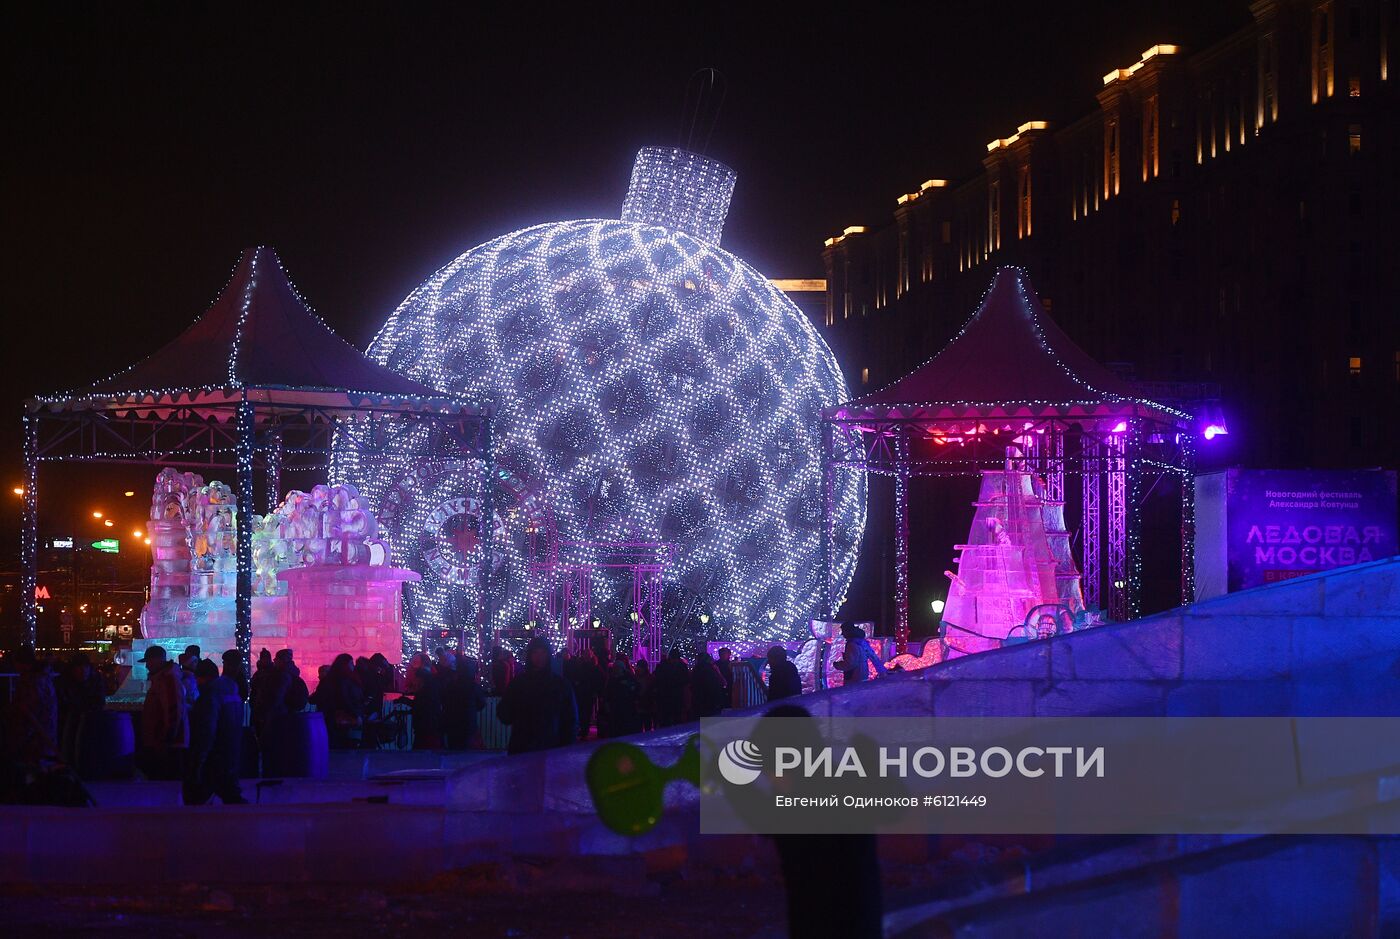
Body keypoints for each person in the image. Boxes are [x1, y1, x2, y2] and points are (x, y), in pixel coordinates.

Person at [497, 637, 577, 755]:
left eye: (542, 653)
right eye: (535, 652)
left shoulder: (519, 683)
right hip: (540, 748)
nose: (539, 657)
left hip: (533, 748)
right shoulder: (560, 684)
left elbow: (570, 721)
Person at [185, 659, 247, 805]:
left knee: (196, 801)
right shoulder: (233, 694)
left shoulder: (210, 695)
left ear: (201, 677)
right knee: (231, 797)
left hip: (214, 755)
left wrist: (199, 758)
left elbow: (207, 729)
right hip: (230, 754)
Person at [138, 645, 188, 780]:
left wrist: (167, 739)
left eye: (148, 662)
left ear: (157, 660)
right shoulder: (163, 679)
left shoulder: (167, 680)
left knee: (165, 784)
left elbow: (173, 710)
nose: (147, 666)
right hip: (164, 742)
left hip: (167, 744)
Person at [3, 647, 58, 765]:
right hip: (43, 730)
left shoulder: (33, 680)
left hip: (36, 733)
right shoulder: (40, 677)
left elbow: (29, 708)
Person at [55, 652, 106, 761]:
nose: (83, 671)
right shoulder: (65, 682)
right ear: (73, 670)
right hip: (71, 721)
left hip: (89, 722)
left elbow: (99, 701)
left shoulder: (95, 681)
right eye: (79, 668)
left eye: (85, 668)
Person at [250, 649, 309, 739]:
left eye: (276, 659)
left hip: (279, 714)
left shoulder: (282, 675)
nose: (275, 661)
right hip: (287, 712)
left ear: (282, 660)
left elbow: (276, 696)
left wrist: (265, 712)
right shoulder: (290, 673)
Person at [311, 653, 366, 750]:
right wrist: (355, 714)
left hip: (332, 718)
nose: (353, 666)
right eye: (351, 663)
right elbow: (345, 699)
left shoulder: (330, 680)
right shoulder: (347, 680)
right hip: (344, 718)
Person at [442, 657, 485, 750]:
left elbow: (444, 702)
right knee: (468, 755)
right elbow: (481, 704)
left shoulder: (451, 686)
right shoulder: (474, 687)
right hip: (469, 725)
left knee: (453, 752)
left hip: (452, 725)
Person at [566, 647, 604, 740]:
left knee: (585, 711)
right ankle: (583, 730)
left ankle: (584, 730)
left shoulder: (584, 665)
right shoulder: (593, 666)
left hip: (586, 691)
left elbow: (598, 679)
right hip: (585, 691)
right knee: (584, 711)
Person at [600, 659, 642, 737]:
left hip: (625, 707)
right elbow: (607, 693)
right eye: (615, 668)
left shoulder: (627, 679)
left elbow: (635, 689)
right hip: (616, 707)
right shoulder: (612, 679)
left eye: (617, 668)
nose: (615, 670)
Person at [652, 648, 690, 727]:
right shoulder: (682, 667)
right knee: (676, 719)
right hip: (675, 696)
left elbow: (656, 679)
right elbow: (686, 680)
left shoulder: (662, 666)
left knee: (666, 719)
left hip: (666, 696)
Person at [689, 651, 728, 719]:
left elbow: (693, 684)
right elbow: (723, 682)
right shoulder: (712, 668)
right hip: (712, 699)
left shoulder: (697, 669)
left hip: (700, 699)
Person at [634, 659, 655, 732]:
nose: (638, 669)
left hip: (646, 706)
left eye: (640, 667)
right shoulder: (649, 678)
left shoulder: (648, 678)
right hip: (642, 706)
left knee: (645, 726)